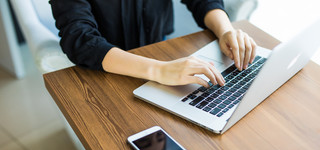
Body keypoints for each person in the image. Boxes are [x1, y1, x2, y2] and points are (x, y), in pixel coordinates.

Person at [50, 0, 257, 88]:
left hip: (159, 51)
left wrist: (225, 31)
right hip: (104, 68)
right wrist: (159, 70)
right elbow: (79, 39)